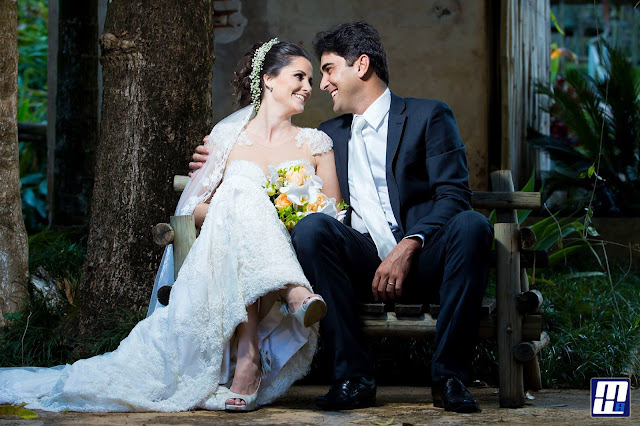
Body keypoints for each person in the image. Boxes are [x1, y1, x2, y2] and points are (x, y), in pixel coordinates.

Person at [0, 40, 340, 413]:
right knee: (242, 191)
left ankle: (250, 356)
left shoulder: (316, 144)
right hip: (232, 255)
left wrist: (277, 213)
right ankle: (287, 302)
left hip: (291, 250)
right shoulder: (225, 140)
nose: (308, 87)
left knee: (244, 194)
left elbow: (332, 216)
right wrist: (248, 208)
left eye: (310, 80)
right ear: (269, 80)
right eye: (299, 76)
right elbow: (191, 210)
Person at [190, 22, 494, 414]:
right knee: (313, 228)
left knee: (472, 225)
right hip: (361, 266)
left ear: (361, 66)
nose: (322, 84)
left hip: (424, 260)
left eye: (329, 70)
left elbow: (454, 196)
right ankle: (353, 377)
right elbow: (278, 175)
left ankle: (450, 378)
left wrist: (409, 245)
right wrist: (215, 159)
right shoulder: (329, 135)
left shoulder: (429, 116)